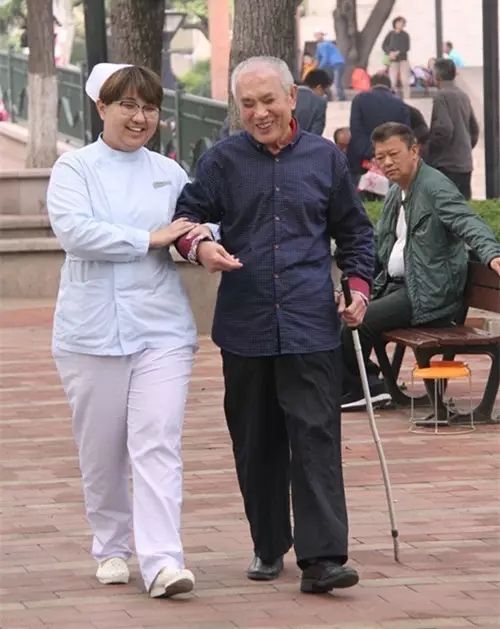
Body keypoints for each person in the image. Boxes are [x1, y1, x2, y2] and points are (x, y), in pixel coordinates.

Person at [173, 56, 375, 594]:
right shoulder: (222, 161)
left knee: (316, 439)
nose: (260, 112)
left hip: (310, 322)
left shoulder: (325, 158)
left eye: (268, 100)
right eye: (248, 104)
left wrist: (358, 288)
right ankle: (268, 543)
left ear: (291, 98)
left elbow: (356, 232)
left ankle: (323, 558)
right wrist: (201, 246)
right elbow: (185, 218)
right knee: (255, 442)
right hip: (247, 323)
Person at [46, 63, 203, 599]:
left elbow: (193, 224)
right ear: (102, 108)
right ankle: (111, 546)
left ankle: (163, 561)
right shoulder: (74, 168)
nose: (140, 118)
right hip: (91, 332)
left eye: (149, 108)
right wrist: (149, 238)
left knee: (157, 441)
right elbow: (75, 232)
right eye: (128, 106)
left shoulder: (169, 172)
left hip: (162, 328)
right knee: (101, 450)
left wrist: (204, 243)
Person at [340, 122, 500, 411]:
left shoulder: (434, 187)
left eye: (394, 154)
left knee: (359, 321)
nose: (387, 163)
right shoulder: (395, 191)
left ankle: (365, 388)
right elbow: (379, 243)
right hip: (398, 286)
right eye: (380, 157)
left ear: (414, 151)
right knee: (340, 313)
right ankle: (364, 383)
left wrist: (492, 254)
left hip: (428, 295)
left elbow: (468, 221)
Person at [426, 58, 479, 200]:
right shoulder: (463, 95)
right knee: (462, 206)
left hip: (446, 165)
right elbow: (474, 130)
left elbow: (444, 129)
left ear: (436, 76)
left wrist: (431, 151)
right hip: (464, 163)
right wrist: (463, 148)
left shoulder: (441, 96)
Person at [347, 73, 410, 184]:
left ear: (371, 85)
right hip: (391, 160)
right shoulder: (400, 104)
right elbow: (405, 134)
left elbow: (356, 130)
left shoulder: (359, 100)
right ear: (389, 86)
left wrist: (371, 154)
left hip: (362, 160)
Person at [382, 16, 411, 100]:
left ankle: (407, 98)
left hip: (403, 59)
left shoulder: (405, 35)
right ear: (395, 23)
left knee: (405, 80)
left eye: (402, 23)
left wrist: (398, 52)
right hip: (393, 60)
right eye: (399, 22)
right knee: (392, 81)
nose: (400, 24)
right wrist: (389, 53)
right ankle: (392, 98)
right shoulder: (390, 34)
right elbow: (384, 45)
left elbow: (407, 47)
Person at [294, 69, 331, 135]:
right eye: (324, 91)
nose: (324, 94)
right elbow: (316, 133)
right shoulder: (320, 102)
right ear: (319, 87)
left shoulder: (289, 95)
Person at [314, 28, 346, 101]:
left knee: (336, 82)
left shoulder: (324, 45)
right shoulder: (323, 45)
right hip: (339, 64)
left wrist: (319, 68)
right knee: (336, 82)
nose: (316, 36)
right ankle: (341, 97)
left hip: (336, 64)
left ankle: (341, 99)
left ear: (322, 35)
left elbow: (325, 58)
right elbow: (317, 57)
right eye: (315, 35)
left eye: (318, 34)